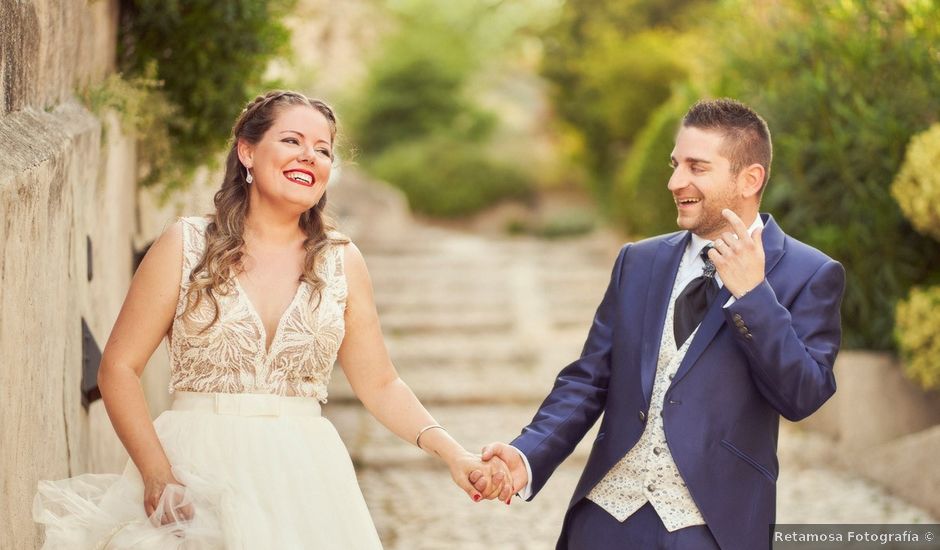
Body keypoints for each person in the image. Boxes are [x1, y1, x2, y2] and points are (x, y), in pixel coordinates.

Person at [33, 90, 510, 549]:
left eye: (322, 150)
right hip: (196, 467)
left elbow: (381, 383)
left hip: (304, 478)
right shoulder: (186, 244)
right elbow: (117, 367)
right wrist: (158, 474)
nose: (310, 156)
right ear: (247, 151)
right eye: (292, 141)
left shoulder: (342, 262)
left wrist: (454, 453)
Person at [474, 98, 846, 549]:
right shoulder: (639, 260)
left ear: (750, 179)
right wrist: (527, 455)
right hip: (605, 518)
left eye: (696, 167)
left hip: (713, 527)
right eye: (675, 164)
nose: (674, 181)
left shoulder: (810, 273)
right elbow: (589, 379)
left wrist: (754, 297)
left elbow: (803, 396)